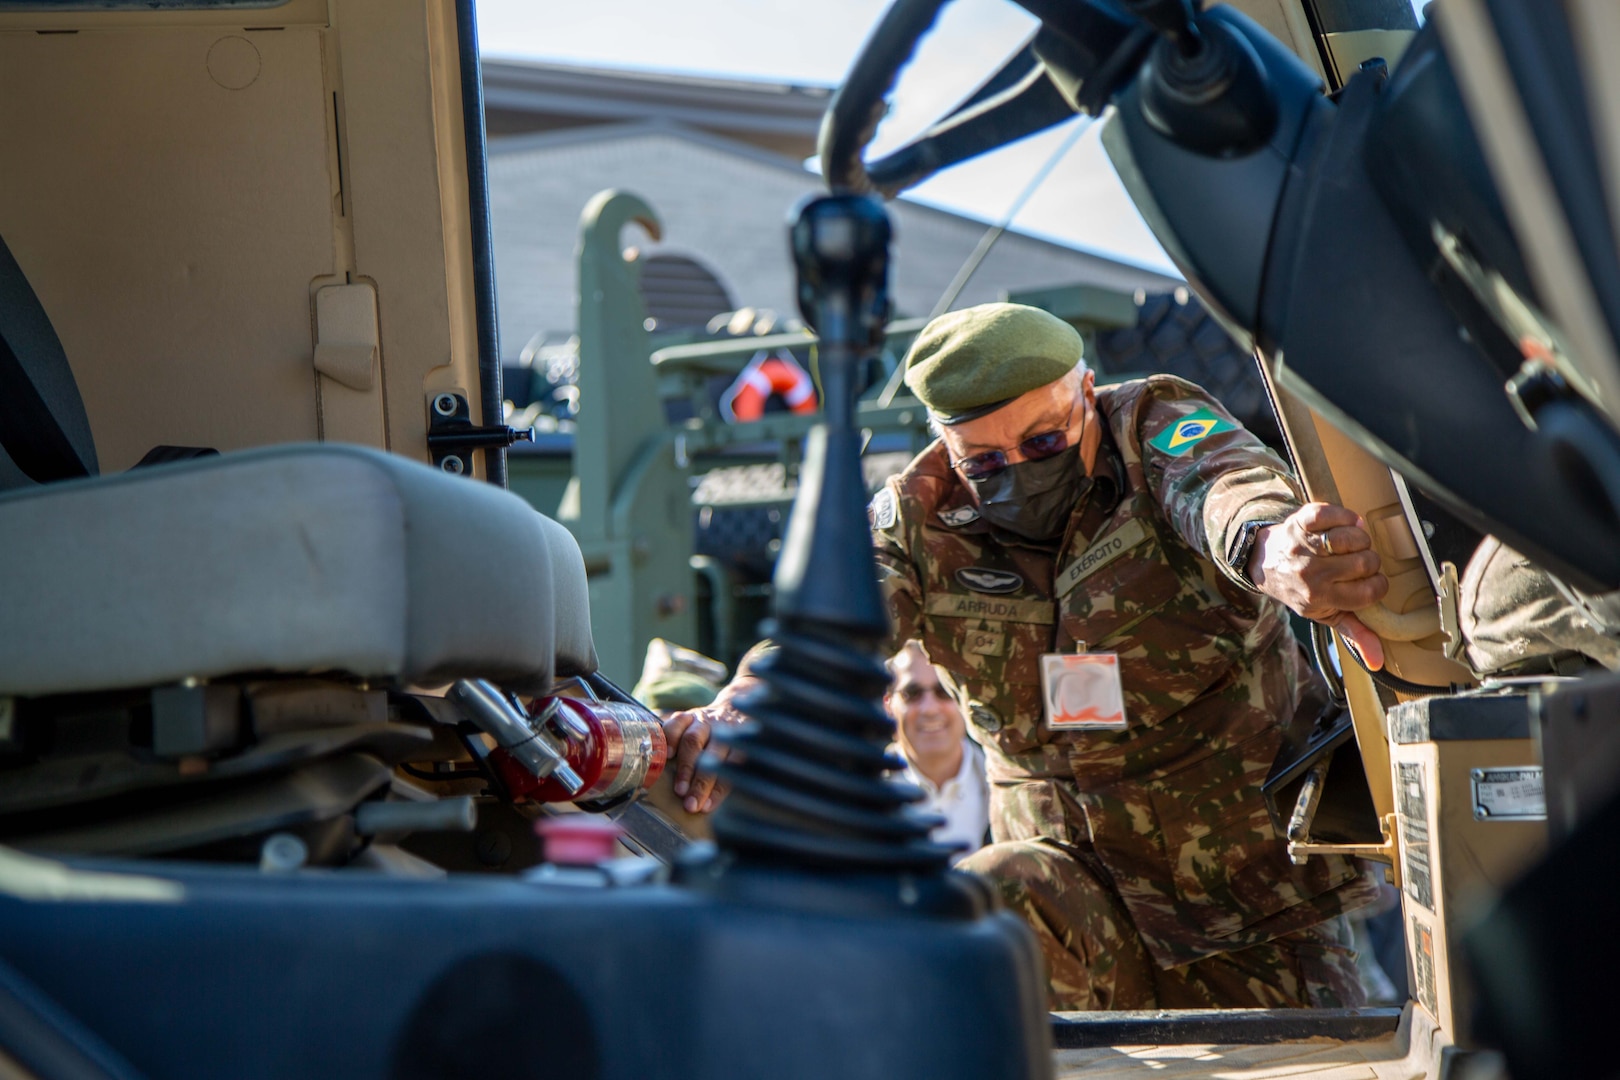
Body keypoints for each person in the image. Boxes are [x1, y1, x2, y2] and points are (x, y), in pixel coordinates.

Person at [664, 302, 1386, 1010]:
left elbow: (1224, 487)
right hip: (1066, 908)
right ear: (946, 447)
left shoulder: (1153, 425)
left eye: (1044, 444)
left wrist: (1270, 548)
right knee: (983, 896)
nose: (1019, 471)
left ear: (1088, 394)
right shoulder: (917, 516)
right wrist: (747, 704)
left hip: (1250, 900)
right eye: (984, 461)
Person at [884, 641, 988, 862]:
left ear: (964, 699)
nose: (929, 709)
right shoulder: (859, 791)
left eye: (944, 691)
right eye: (912, 693)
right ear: (888, 705)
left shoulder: (1004, 787)